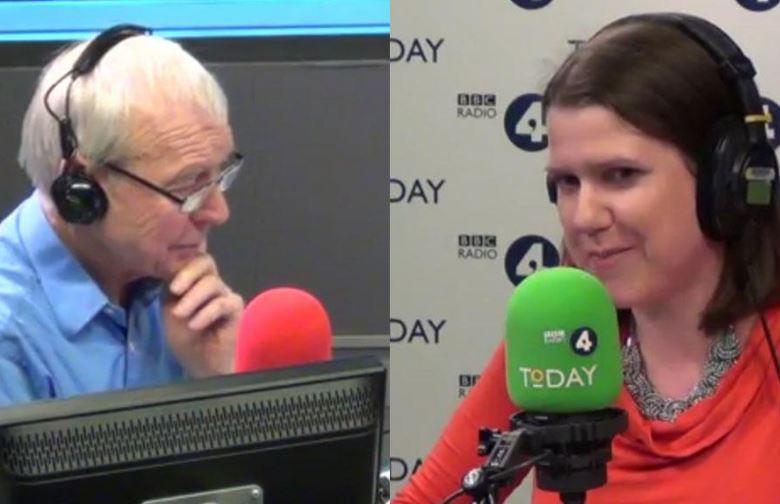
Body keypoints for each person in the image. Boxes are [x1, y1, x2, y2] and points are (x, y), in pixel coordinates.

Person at [394, 13, 780, 504]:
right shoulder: (554, 348)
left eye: (620, 174)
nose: (583, 216)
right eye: (566, 183)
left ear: (726, 183)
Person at [0, 25, 244, 406]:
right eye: (187, 187)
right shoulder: (9, 335)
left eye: (219, 177)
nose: (218, 212)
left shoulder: (178, 296)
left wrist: (221, 380)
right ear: (81, 190)